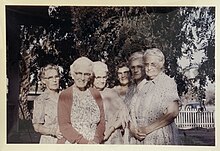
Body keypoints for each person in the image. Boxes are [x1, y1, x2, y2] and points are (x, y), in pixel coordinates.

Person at [129, 48, 181, 145]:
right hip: (140, 138)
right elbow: (131, 113)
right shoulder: (142, 85)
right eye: (146, 64)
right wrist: (134, 130)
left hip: (160, 137)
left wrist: (147, 129)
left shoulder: (167, 82)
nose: (148, 68)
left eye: (153, 64)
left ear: (161, 64)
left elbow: (173, 112)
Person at [57, 57, 105, 144]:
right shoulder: (65, 95)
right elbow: (64, 125)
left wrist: (96, 140)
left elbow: (101, 122)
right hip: (72, 143)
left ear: (90, 76)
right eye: (79, 73)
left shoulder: (96, 94)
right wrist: (84, 142)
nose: (82, 78)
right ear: (73, 74)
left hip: (94, 144)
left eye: (86, 74)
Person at [92, 61, 129, 144]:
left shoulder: (112, 93)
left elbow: (123, 115)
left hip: (113, 138)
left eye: (104, 77)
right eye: (98, 77)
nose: (102, 81)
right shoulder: (87, 94)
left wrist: (111, 129)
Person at [32, 64, 63, 143]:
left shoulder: (65, 96)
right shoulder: (41, 100)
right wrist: (53, 132)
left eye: (56, 76)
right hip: (49, 141)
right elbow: (37, 126)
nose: (54, 80)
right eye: (50, 78)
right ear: (43, 80)